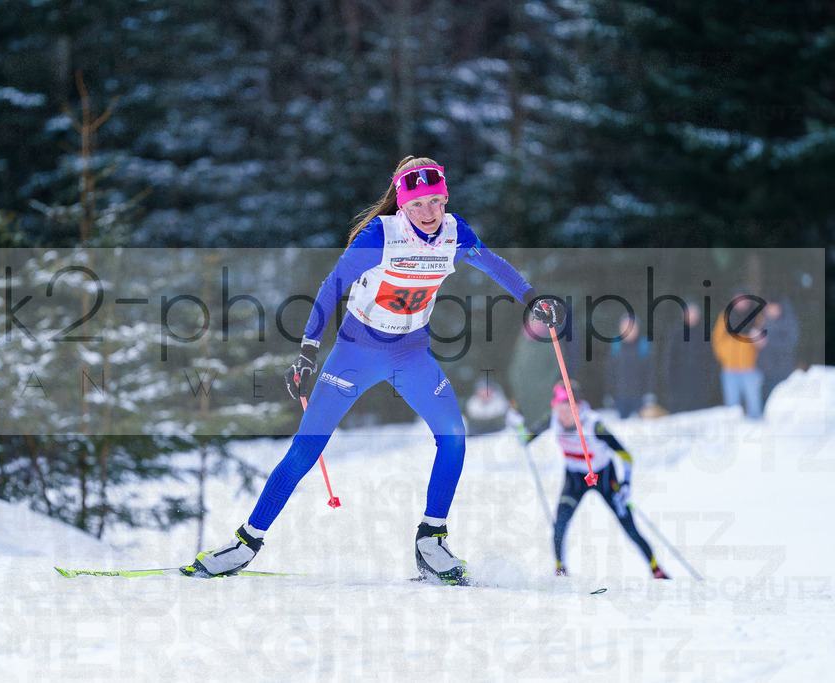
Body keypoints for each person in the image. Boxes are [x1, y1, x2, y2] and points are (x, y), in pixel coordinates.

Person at [183, 156, 563, 584]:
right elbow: (332, 287)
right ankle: (245, 543)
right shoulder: (380, 236)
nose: (431, 213)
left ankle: (431, 539)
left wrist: (533, 298)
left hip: (412, 353)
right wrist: (308, 351)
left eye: (437, 201)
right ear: (402, 206)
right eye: (419, 204)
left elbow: (492, 264)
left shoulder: (455, 233)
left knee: (454, 436)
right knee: (306, 448)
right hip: (356, 352)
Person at [505, 382, 669, 579]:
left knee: (630, 528)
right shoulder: (553, 418)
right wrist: (517, 423)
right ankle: (560, 571)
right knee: (560, 526)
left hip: (604, 477)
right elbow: (526, 439)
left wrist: (625, 484)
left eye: (568, 410)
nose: (563, 416)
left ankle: (656, 570)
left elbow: (625, 455)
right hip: (575, 478)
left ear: (578, 407)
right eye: (559, 409)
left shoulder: (593, 424)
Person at [711, 291, 766, 419]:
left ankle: (757, 432)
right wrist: (725, 358)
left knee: (754, 405)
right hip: (730, 369)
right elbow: (717, 339)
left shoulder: (757, 317)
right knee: (732, 407)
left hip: (751, 368)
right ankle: (733, 433)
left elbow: (764, 342)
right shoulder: (725, 316)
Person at [662, 303, 716, 413]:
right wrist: (670, 381)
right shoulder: (676, 333)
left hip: (699, 382)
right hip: (679, 381)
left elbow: (709, 359)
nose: (692, 317)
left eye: (695, 314)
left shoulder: (704, 333)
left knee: (698, 414)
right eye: (689, 313)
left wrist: (709, 381)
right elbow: (670, 359)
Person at [604, 314, 654, 419]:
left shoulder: (643, 346)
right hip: (620, 398)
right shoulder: (616, 347)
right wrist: (609, 393)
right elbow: (610, 372)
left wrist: (649, 393)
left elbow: (650, 372)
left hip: (640, 397)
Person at [756, 296, 800, 406]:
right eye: (767, 309)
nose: (769, 311)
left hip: (781, 371)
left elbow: (789, 344)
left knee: (780, 402)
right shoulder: (764, 321)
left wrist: (767, 342)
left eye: (771, 308)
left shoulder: (789, 322)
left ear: (778, 307)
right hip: (765, 371)